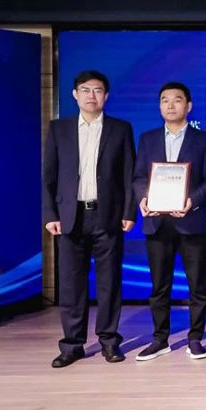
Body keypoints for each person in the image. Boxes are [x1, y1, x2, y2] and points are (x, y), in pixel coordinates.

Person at [42, 70, 135, 368]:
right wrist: (50, 214)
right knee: (71, 283)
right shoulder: (60, 129)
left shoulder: (120, 129)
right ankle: (72, 345)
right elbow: (49, 176)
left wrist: (129, 212)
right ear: (75, 94)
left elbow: (128, 174)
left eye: (97, 90)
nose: (91, 96)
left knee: (109, 282)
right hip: (71, 216)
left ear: (106, 96)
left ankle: (109, 341)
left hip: (108, 216)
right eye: (85, 90)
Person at [131, 82, 206, 361]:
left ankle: (195, 338)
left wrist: (191, 200)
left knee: (197, 284)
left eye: (177, 100)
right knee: (159, 285)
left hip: (191, 221)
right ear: (159, 106)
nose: (170, 105)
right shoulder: (147, 139)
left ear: (188, 106)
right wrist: (143, 198)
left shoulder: (203, 140)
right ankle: (160, 339)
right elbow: (138, 177)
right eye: (164, 100)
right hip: (157, 222)